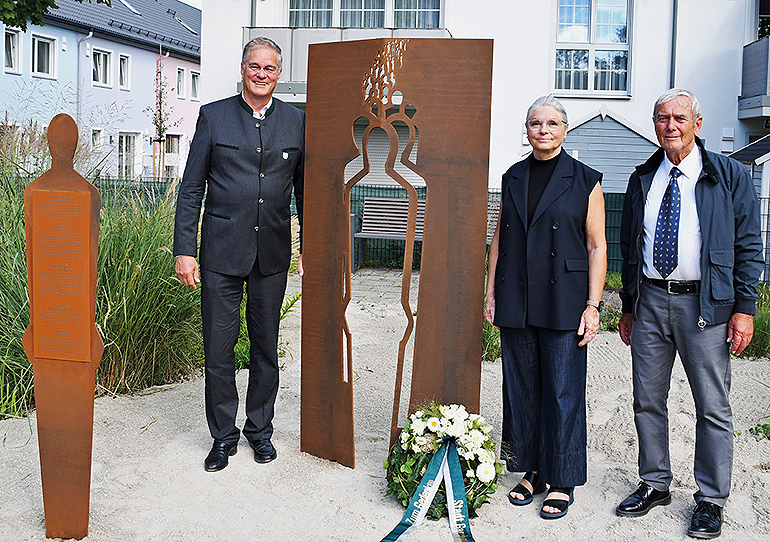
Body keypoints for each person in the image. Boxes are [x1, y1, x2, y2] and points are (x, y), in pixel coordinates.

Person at [616, 89, 762, 539]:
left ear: (698, 123)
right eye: (662, 118)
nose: (670, 125)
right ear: (654, 125)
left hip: (706, 304)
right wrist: (627, 305)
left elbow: (748, 245)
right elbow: (629, 245)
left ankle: (711, 499)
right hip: (651, 302)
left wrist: (744, 308)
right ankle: (655, 482)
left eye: (680, 117)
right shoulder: (644, 176)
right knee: (647, 399)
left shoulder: (729, 175)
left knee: (712, 406)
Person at [173, 37, 305, 472]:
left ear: (279, 73)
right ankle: (223, 437)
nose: (261, 74)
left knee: (266, 347)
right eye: (254, 67)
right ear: (243, 69)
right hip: (220, 255)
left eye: (269, 68)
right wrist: (184, 251)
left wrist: (307, 248)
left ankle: (260, 432)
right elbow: (192, 188)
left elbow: (305, 192)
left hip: (271, 255)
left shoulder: (297, 122)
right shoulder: (213, 117)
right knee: (219, 349)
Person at [485, 95, 606, 520]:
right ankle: (532, 470)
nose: (543, 130)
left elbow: (597, 245)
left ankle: (563, 479)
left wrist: (593, 305)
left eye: (552, 123)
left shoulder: (585, 179)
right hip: (517, 293)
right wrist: (491, 292)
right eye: (536, 122)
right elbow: (500, 238)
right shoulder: (513, 176)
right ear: (527, 128)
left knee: (562, 391)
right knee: (521, 389)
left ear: (565, 129)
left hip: (565, 298)